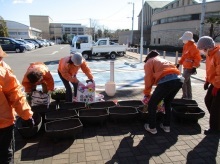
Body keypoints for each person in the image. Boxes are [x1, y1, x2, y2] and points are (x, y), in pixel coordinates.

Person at [143, 50, 183, 134]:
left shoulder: (149, 62)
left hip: (167, 82)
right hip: (178, 81)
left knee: (152, 104)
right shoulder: (164, 60)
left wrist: (147, 93)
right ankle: (166, 126)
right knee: (168, 102)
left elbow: (148, 79)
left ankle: (152, 127)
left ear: (148, 58)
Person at [0, 66, 34, 164]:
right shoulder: (2, 72)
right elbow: (15, 95)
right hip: (3, 122)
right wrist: (27, 116)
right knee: (5, 155)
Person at [197, 36, 220, 135]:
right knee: (208, 100)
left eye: (201, 49)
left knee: (216, 107)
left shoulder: (218, 55)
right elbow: (210, 70)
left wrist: (217, 86)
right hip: (214, 82)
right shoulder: (209, 54)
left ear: (206, 48)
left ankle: (215, 128)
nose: (201, 51)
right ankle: (217, 121)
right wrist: (207, 81)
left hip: (218, 84)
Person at [177, 31, 202, 100]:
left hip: (190, 67)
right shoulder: (186, 46)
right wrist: (179, 63)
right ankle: (189, 97)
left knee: (182, 81)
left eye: (184, 39)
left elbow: (197, 58)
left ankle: (185, 96)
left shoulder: (194, 47)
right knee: (187, 83)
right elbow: (184, 56)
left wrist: (194, 67)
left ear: (188, 39)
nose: (183, 40)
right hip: (186, 67)